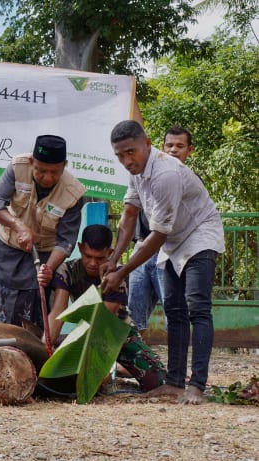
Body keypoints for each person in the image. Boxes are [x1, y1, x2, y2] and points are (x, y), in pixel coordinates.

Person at [102, 120, 224, 404]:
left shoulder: (166, 173)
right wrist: (115, 259)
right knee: (174, 309)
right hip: (173, 240)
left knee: (197, 308)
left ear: (147, 144)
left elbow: (157, 235)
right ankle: (174, 382)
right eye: (120, 155)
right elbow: (130, 215)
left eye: (130, 152)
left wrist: (123, 272)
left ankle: (197, 385)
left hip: (199, 234)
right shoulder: (135, 171)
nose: (126, 160)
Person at [48, 224, 166, 392]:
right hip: (83, 332)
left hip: (117, 335)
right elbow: (58, 310)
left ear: (110, 254)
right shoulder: (67, 270)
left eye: (100, 258)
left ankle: (117, 368)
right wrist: (46, 346)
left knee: (157, 381)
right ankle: (115, 369)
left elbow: (102, 323)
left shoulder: (116, 276)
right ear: (80, 248)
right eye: (88, 256)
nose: (93, 263)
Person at [0, 134, 86, 331]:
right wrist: (19, 226)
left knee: (33, 315)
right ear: (32, 162)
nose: (47, 178)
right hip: (7, 251)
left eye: (54, 172)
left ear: (64, 165)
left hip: (44, 257)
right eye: (40, 170)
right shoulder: (17, 167)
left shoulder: (73, 192)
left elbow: (66, 241)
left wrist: (48, 269)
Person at [128, 125, 195, 337]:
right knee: (132, 313)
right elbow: (132, 212)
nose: (174, 150)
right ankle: (135, 363)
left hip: (172, 253)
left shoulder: (191, 182)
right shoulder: (144, 175)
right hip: (143, 250)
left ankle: (176, 367)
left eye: (180, 146)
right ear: (161, 147)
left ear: (189, 150)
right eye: (169, 145)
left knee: (173, 311)